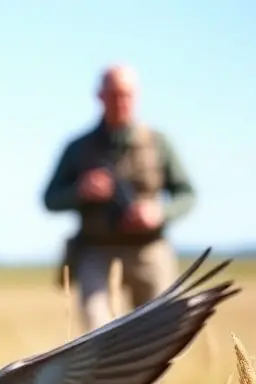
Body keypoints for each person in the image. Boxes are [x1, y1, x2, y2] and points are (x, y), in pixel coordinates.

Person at [42, 65, 197, 330]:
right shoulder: (78, 147)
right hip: (96, 251)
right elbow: (49, 199)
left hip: (148, 251)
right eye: (113, 94)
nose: (120, 101)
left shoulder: (158, 143)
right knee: (97, 336)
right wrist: (80, 191)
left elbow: (187, 194)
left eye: (126, 94)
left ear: (136, 96)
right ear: (100, 96)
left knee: (158, 336)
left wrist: (159, 213)